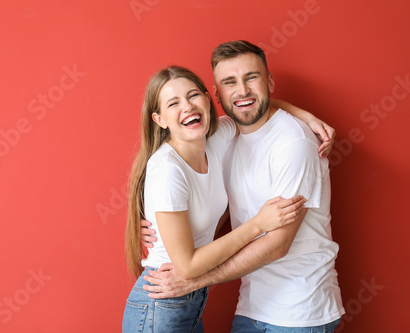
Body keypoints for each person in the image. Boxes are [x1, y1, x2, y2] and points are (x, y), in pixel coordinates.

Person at [142, 41, 344, 332]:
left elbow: (277, 244)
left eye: (252, 77)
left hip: (300, 312)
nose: (243, 90)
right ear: (217, 93)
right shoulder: (223, 138)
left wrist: (193, 279)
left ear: (269, 81)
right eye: (229, 82)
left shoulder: (293, 143)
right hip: (252, 307)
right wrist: (159, 228)